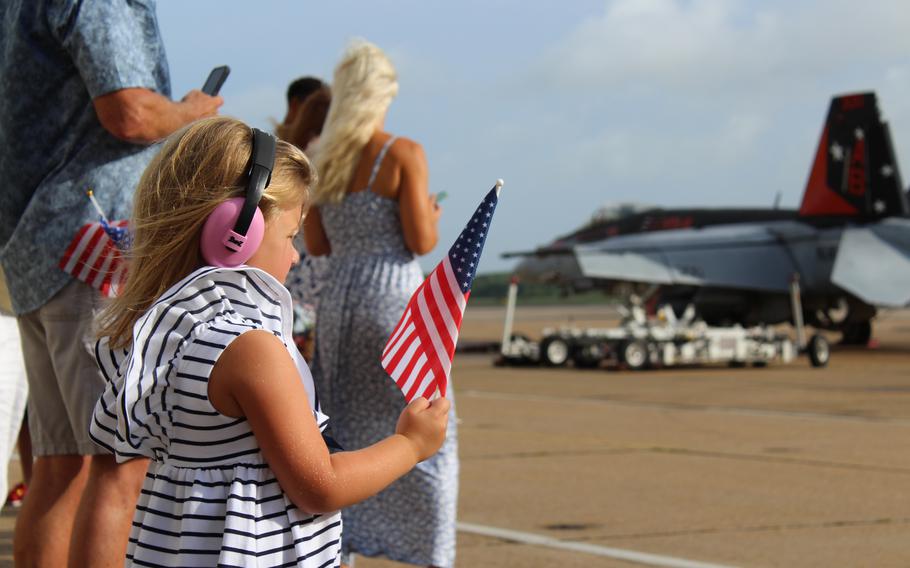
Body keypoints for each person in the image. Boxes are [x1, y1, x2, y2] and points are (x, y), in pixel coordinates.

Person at [89, 116, 450, 566]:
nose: (296, 255)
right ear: (235, 235)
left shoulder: (162, 334)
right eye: (290, 236)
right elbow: (320, 486)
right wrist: (411, 444)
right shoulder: (249, 348)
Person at [0, 1, 222, 565]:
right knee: (120, 465)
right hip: (95, 240)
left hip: (36, 248)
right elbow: (130, 113)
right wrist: (191, 114)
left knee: (57, 465)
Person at [304, 40, 458, 567]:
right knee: (425, 427)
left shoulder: (322, 156)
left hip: (339, 303)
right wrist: (433, 216)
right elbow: (419, 240)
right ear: (383, 95)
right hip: (393, 301)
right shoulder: (402, 153)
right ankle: (429, 553)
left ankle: (339, 550)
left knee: (342, 433)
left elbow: (318, 245)